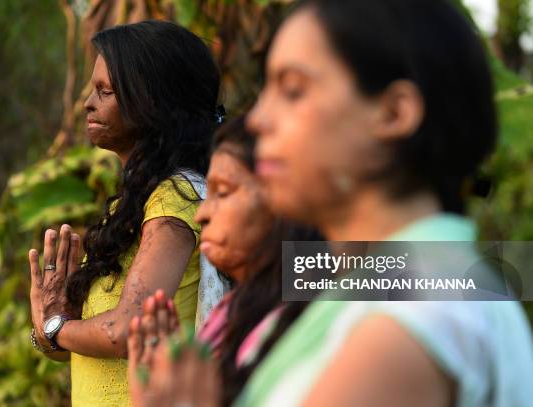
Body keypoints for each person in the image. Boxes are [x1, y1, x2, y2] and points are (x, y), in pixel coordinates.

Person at [136, 1, 533, 406]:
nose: (257, 120)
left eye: (292, 90)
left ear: (394, 113)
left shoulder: (404, 324)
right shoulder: (398, 287)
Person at [27, 20, 223, 406]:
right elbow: (78, 344)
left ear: (154, 104)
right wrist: (49, 327)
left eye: (107, 91)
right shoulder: (133, 202)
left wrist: (54, 326)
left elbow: (126, 330)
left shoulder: (174, 198)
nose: (88, 103)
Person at [127, 117, 321, 406]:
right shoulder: (232, 311)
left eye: (223, 192)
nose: (201, 215)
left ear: (284, 199)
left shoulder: (326, 312)